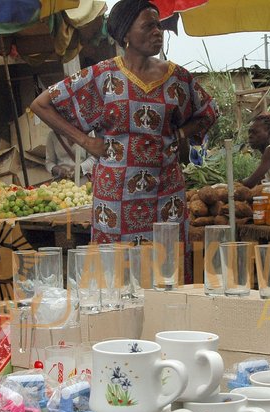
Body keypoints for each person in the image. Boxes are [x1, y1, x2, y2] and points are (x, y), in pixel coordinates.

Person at [30, 0, 218, 245]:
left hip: (166, 194)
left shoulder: (177, 78)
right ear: (125, 33)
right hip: (116, 197)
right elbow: (41, 104)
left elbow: (208, 112)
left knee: (167, 259)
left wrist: (181, 134)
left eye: (159, 26)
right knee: (117, 262)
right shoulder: (102, 76)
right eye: (148, 26)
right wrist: (86, 141)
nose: (157, 32)